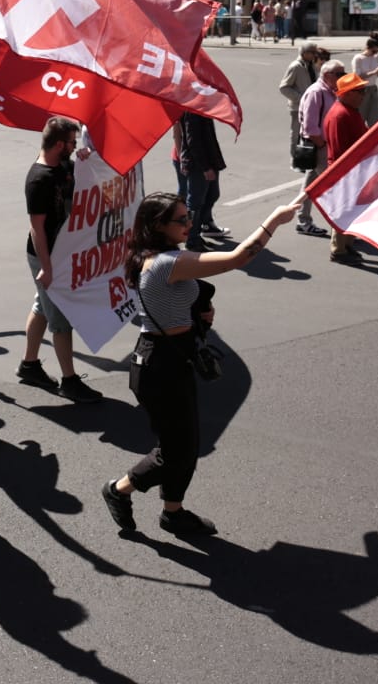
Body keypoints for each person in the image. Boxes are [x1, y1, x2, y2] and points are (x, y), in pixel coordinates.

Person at [101, 195, 300, 537]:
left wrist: (198, 319)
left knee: (186, 445)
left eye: (188, 216)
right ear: (158, 226)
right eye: (180, 220)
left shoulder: (157, 259)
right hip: (158, 367)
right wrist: (275, 220)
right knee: (173, 450)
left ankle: (173, 513)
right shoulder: (167, 263)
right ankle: (118, 490)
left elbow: (170, 309)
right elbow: (238, 258)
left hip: (171, 358)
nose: (188, 224)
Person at [15, 117, 102, 403]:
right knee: (61, 320)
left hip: (59, 252)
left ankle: (29, 365)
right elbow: (36, 228)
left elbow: (81, 177)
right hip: (47, 255)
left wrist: (84, 159)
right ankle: (70, 380)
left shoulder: (61, 165)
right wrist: (48, 268)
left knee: (43, 306)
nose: (75, 147)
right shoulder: (39, 179)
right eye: (72, 143)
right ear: (58, 144)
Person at [323, 74, 372, 263]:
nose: (364, 95)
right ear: (348, 94)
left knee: (352, 211)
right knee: (343, 212)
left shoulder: (350, 110)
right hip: (345, 173)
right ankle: (338, 250)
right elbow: (340, 150)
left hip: (354, 171)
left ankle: (348, 244)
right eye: (360, 91)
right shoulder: (340, 114)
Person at [295, 60, 344, 238]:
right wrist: (323, 144)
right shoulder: (316, 93)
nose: (343, 76)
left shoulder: (330, 91)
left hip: (325, 145)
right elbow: (309, 127)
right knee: (333, 185)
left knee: (310, 187)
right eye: (339, 74)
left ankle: (303, 220)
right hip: (319, 146)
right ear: (327, 75)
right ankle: (340, 226)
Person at [178, 112, 228, 251]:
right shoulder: (192, 112)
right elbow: (193, 142)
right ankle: (192, 239)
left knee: (212, 195)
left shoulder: (203, 108)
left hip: (209, 160)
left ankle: (198, 231)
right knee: (195, 202)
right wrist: (205, 167)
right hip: (198, 165)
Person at [349, 33, 378, 127]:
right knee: (361, 117)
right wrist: (374, 72)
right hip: (362, 90)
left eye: (377, 51)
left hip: (373, 89)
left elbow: (376, 76)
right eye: (373, 51)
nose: (375, 53)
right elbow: (357, 76)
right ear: (368, 47)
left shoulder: (376, 57)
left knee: (375, 118)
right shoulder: (358, 58)